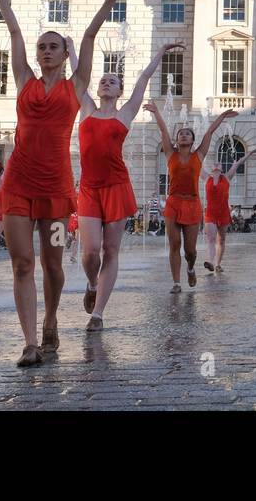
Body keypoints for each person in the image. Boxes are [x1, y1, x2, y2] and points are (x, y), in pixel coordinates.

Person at [0, 0, 131, 367]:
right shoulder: (25, 80)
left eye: (53, 46)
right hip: (17, 184)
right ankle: (30, 342)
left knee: (53, 263)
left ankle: (51, 319)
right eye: (42, 46)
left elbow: (90, 36)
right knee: (23, 263)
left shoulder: (76, 86)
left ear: (65, 56)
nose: (46, 50)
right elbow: (13, 36)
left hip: (58, 190)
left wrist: (111, 2)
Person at [70, 40, 183, 330]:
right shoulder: (86, 108)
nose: (107, 82)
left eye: (113, 81)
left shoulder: (125, 113)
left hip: (117, 186)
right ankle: (91, 284)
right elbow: (77, 74)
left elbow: (144, 78)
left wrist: (160, 51)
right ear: (98, 89)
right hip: (89, 189)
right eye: (103, 80)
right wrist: (72, 49)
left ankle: (98, 315)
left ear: (120, 91)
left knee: (110, 250)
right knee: (90, 251)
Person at [146, 103, 239, 293]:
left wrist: (221, 116)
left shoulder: (199, 155)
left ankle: (190, 268)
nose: (184, 135)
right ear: (177, 139)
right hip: (173, 202)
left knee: (190, 251)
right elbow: (163, 130)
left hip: (192, 204)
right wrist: (157, 112)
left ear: (193, 140)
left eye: (188, 133)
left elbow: (210, 133)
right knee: (174, 244)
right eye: (181, 133)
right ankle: (176, 283)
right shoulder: (170, 153)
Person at [204, 146, 255, 275]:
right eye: (214, 163)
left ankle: (218, 264)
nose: (217, 164)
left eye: (219, 163)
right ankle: (210, 262)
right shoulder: (206, 178)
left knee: (221, 240)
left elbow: (238, 163)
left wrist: (248, 154)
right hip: (210, 214)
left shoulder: (227, 177)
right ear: (212, 168)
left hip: (223, 214)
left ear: (221, 169)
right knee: (210, 239)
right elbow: (196, 163)